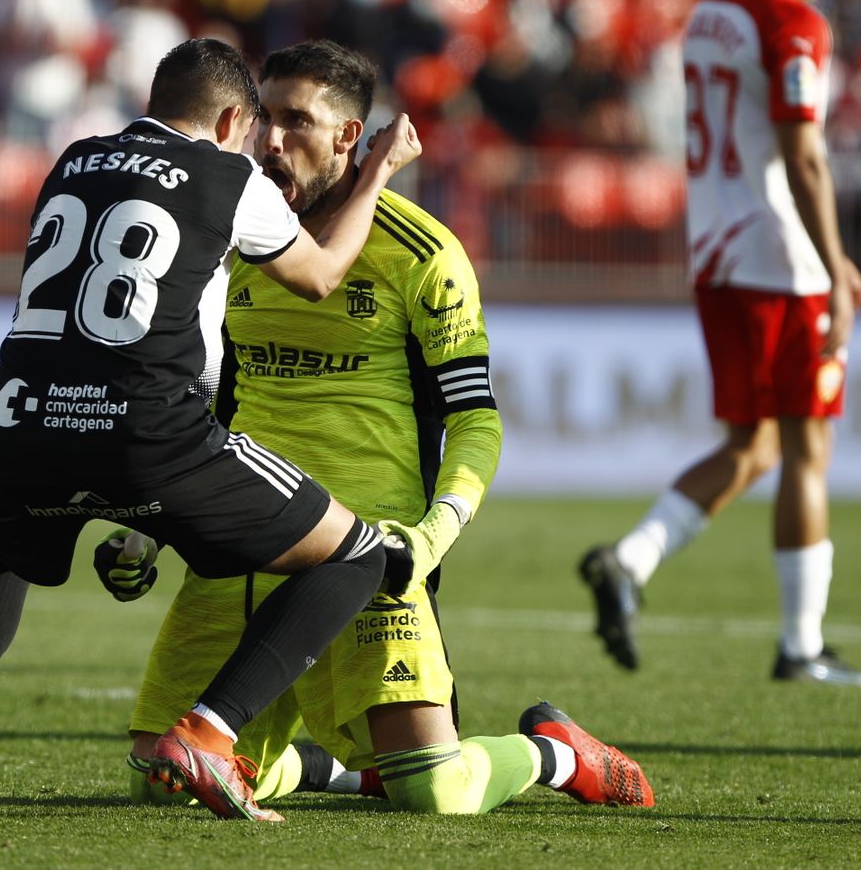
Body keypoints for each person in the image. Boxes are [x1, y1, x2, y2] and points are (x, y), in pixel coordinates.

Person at [102, 40, 652, 815]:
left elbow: (475, 421)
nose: (270, 140)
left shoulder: (422, 253)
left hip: (367, 549)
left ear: (347, 139)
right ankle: (337, 768)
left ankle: (553, 753)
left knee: (434, 792)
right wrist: (150, 527)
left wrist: (433, 534)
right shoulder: (233, 240)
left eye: (298, 122)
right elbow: (208, 402)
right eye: (265, 119)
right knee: (156, 785)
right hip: (239, 540)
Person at [0, 38, 422, 822]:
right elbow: (319, 275)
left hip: (18, 413)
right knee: (357, 555)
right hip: (146, 427)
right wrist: (378, 172)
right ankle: (209, 733)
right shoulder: (229, 173)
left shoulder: (74, 160)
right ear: (228, 120)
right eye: (253, 131)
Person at [579, 0, 861, 685]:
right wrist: (837, 260)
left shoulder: (711, 8)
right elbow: (804, 153)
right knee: (805, 448)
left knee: (755, 445)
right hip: (781, 257)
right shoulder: (791, 21)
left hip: (714, 248)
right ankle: (802, 646)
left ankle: (630, 561)